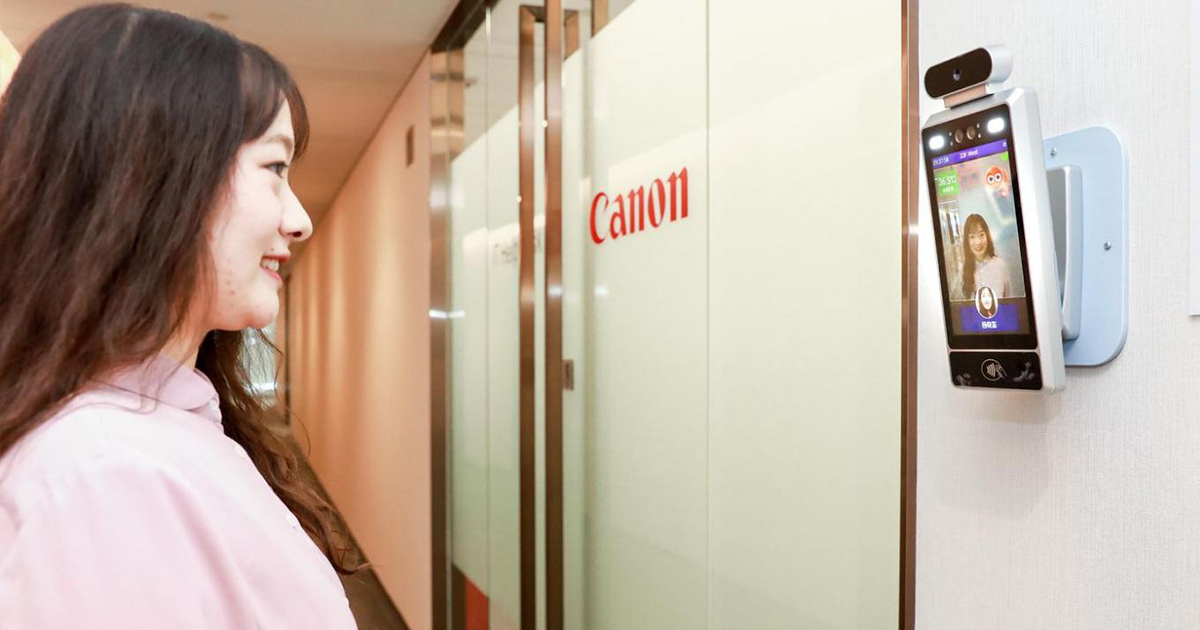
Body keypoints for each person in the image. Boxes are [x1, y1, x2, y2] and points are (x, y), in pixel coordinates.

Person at [0, 5, 359, 628]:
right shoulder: (102, 478)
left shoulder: (155, 430)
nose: (299, 220)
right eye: (274, 168)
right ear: (155, 177)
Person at [961, 213, 1013, 300]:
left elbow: (1009, 299)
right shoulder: (965, 269)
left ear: (987, 235)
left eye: (981, 235)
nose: (978, 242)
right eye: (972, 237)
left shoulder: (1000, 265)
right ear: (967, 241)